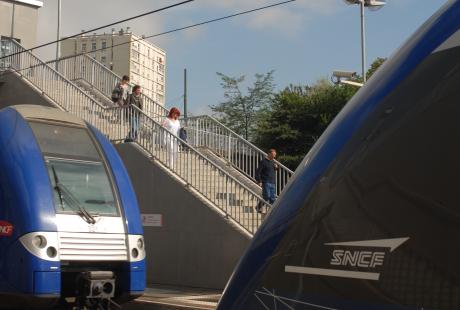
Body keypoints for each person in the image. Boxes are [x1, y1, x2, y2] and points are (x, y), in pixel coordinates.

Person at [255, 149, 278, 213]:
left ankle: (271, 211)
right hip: (266, 181)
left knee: (272, 198)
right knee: (267, 196)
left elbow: (272, 170)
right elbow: (258, 171)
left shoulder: (273, 162)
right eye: (273, 154)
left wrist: (276, 168)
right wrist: (259, 180)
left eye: (275, 155)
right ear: (269, 154)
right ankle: (258, 207)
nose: (274, 156)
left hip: (272, 182)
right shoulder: (263, 161)